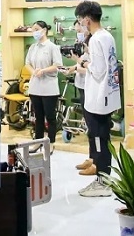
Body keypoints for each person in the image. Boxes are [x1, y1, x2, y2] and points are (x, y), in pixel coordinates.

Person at [75, 0, 120, 197]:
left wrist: (85, 65)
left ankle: (102, 182)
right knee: (103, 137)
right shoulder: (107, 36)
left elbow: (99, 70)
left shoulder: (95, 39)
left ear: (87, 19)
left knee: (99, 138)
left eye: (80, 19)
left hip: (98, 98)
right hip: (108, 96)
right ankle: (104, 179)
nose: (80, 23)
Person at [24, 21, 62, 153]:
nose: (34, 32)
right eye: (33, 29)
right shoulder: (33, 47)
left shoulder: (52, 47)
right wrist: (34, 72)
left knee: (50, 117)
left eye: (37, 29)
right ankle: (37, 141)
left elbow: (58, 65)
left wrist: (43, 71)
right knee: (38, 117)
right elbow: (27, 63)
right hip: (35, 87)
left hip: (49, 88)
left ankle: (51, 142)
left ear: (44, 30)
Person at [68, 19, 92, 171]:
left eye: (79, 31)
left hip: (90, 88)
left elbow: (93, 69)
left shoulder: (93, 44)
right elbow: (81, 64)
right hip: (82, 86)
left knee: (93, 126)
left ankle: (95, 161)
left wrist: (77, 66)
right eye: (76, 31)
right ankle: (91, 158)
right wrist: (72, 68)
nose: (78, 34)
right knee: (89, 124)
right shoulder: (82, 46)